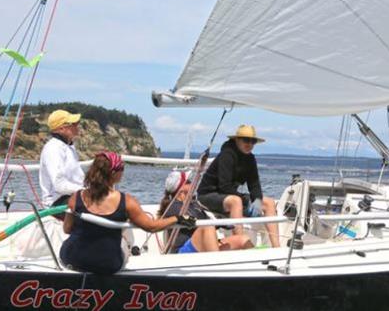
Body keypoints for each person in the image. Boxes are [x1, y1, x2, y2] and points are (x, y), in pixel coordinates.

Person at [61, 151, 195, 274]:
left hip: (73, 259)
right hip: (108, 264)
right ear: (114, 174)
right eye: (122, 169)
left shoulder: (76, 198)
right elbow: (151, 226)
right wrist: (177, 219)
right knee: (125, 241)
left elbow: (67, 229)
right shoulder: (127, 202)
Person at [197, 125, 280, 248]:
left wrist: (257, 201)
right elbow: (224, 186)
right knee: (236, 201)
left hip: (228, 195)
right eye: (246, 140)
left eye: (253, 141)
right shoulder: (227, 155)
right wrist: (244, 200)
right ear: (237, 140)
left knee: (268, 203)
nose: (250, 144)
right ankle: (240, 245)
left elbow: (254, 184)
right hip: (208, 194)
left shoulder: (250, 159)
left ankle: (277, 247)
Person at [159, 170, 252, 254]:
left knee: (243, 240)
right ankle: (216, 266)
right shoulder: (173, 208)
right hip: (183, 251)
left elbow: (206, 219)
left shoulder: (193, 204)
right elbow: (194, 221)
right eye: (189, 182)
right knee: (207, 227)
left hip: (201, 244)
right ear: (181, 188)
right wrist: (219, 223)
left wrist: (226, 221)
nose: (192, 183)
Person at [39, 109, 84, 208]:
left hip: (73, 196)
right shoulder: (53, 148)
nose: (77, 126)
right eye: (74, 124)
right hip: (57, 202)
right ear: (62, 128)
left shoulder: (68, 147)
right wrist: (86, 191)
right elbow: (59, 185)